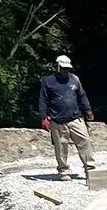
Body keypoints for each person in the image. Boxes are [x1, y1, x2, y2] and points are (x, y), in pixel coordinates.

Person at [36, 52, 96, 182]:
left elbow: (82, 95)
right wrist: (44, 117)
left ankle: (90, 169)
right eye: (63, 68)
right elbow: (43, 100)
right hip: (57, 120)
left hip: (75, 118)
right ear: (57, 66)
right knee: (61, 146)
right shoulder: (48, 81)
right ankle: (64, 171)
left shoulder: (74, 79)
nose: (65, 70)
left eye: (67, 68)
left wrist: (88, 109)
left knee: (85, 141)